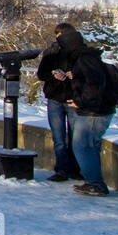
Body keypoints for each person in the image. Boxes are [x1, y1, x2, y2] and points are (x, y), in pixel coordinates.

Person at [66, 31, 117, 197]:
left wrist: (80, 101)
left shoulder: (84, 59)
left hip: (94, 112)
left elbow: (95, 84)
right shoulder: (89, 57)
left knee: (82, 145)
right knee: (90, 146)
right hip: (99, 110)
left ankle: (96, 184)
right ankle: (93, 182)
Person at [36, 22, 85, 183]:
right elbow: (41, 73)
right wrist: (52, 74)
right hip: (55, 98)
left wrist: (75, 74)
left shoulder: (80, 53)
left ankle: (73, 168)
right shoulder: (51, 52)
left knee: (74, 137)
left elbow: (88, 74)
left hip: (72, 99)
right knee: (59, 137)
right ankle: (62, 169)